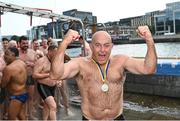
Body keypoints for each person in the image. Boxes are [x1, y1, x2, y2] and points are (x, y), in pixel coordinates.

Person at [50, 25, 157, 120]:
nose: (102, 50)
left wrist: (149, 39)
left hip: (117, 118)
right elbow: (56, 74)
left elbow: (149, 68)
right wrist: (64, 43)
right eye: (98, 45)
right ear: (91, 46)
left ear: (111, 46)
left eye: (106, 45)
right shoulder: (80, 64)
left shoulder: (121, 61)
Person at [33, 45, 60, 120]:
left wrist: (59, 80)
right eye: (55, 52)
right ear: (50, 51)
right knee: (53, 106)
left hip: (53, 86)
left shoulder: (55, 60)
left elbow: (57, 73)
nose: (57, 54)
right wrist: (48, 74)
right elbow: (34, 75)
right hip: (43, 86)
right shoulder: (41, 61)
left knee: (47, 106)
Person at [0, 47, 28, 120]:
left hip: (16, 97)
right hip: (24, 93)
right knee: (20, 115)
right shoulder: (22, 63)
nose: (4, 56)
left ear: (13, 55)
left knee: (11, 118)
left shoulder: (9, 68)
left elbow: (3, 84)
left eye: (7, 54)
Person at [18, 36, 37, 119]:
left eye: (26, 43)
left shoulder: (32, 52)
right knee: (22, 98)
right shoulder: (16, 53)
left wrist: (32, 64)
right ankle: (23, 116)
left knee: (30, 97)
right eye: (23, 43)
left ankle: (30, 115)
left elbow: (38, 64)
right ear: (19, 44)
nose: (25, 45)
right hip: (19, 78)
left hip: (30, 77)